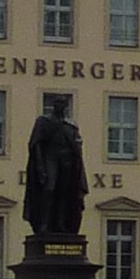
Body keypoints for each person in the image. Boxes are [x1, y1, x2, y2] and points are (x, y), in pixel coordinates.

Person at [22, 97, 87, 236]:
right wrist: (39, 166)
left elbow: (77, 146)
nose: (59, 105)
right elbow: (36, 144)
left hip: (67, 160)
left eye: (62, 103)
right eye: (57, 102)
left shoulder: (70, 125)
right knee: (49, 190)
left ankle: (61, 224)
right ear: (53, 105)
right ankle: (44, 224)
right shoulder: (44, 121)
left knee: (65, 192)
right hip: (50, 157)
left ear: (66, 106)